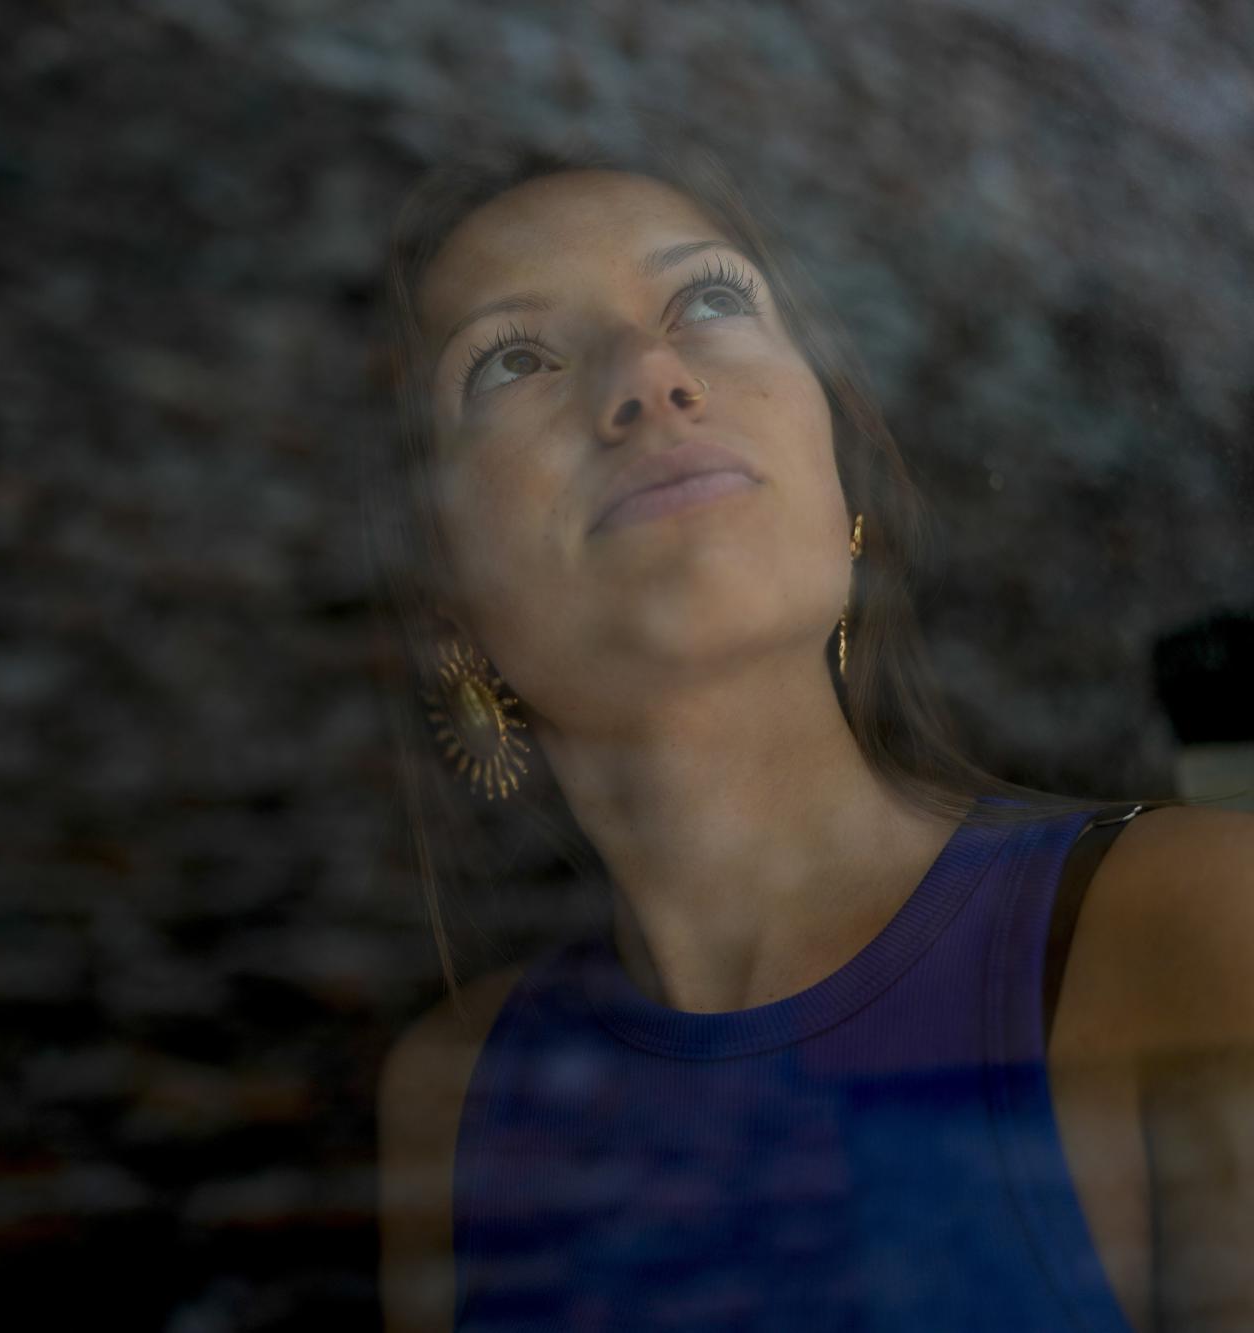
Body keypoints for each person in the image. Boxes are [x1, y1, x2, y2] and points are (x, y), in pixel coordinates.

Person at [365, 139, 1254, 1333]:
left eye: (710, 298)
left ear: (841, 473)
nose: (650, 375)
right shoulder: (459, 1096)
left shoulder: (1194, 924)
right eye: (512, 358)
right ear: (445, 599)